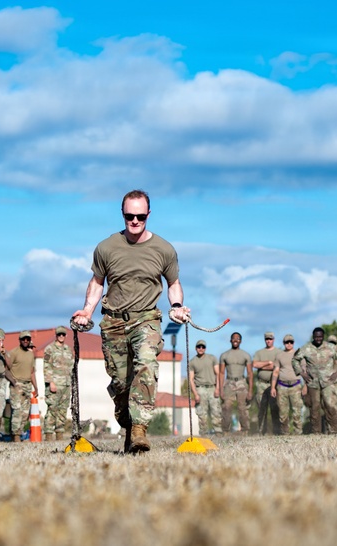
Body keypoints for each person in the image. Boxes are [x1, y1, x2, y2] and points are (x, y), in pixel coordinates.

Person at [71, 190, 188, 453]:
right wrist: (87, 311)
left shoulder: (164, 250)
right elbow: (97, 283)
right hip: (113, 323)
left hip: (146, 319)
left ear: (148, 215)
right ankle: (127, 423)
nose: (134, 221)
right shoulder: (106, 248)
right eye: (129, 216)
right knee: (122, 383)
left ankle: (139, 430)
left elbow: (174, 284)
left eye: (140, 216)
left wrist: (177, 307)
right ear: (122, 215)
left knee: (146, 364)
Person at [295, 327, 337, 434]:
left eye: (320, 337)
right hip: (313, 383)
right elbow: (295, 359)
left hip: (327, 383)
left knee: (330, 406)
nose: (318, 339)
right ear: (313, 336)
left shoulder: (331, 347)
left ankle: (334, 431)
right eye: (316, 337)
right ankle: (316, 433)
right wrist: (302, 373)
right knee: (314, 408)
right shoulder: (306, 348)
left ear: (323, 336)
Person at [269, 334, 305, 435]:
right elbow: (276, 371)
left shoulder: (299, 354)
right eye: (287, 342)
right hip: (282, 386)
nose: (289, 344)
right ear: (284, 343)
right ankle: (285, 433)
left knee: (297, 411)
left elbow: (304, 371)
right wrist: (273, 387)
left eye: (291, 342)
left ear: (293, 343)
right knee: (283, 413)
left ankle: (298, 433)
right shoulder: (279, 355)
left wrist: (305, 385)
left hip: (296, 386)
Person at [219, 332, 253, 434]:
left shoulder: (246, 355)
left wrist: (250, 390)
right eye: (233, 338)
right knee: (226, 407)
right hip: (229, 383)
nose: (235, 340)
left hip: (241, 383)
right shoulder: (224, 355)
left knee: (242, 408)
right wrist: (220, 389)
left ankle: (245, 431)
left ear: (240, 341)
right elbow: (221, 373)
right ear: (230, 340)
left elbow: (250, 373)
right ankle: (225, 431)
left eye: (237, 339)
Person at [7, 331, 39, 442]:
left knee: (25, 413)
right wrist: (14, 382)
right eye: (23, 339)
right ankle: (15, 437)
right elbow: (6, 370)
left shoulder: (30, 354)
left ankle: (18, 434)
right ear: (20, 340)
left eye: (28, 339)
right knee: (17, 411)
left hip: (27, 385)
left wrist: (36, 387)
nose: (26, 341)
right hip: (17, 385)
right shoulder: (13, 353)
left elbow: (32, 372)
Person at [43, 326, 73, 440]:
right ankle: (49, 435)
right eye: (59, 334)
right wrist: (50, 382)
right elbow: (47, 367)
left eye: (63, 334)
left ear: (66, 336)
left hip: (66, 384)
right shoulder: (50, 349)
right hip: (54, 384)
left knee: (62, 410)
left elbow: (71, 367)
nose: (61, 336)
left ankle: (59, 434)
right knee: (52, 409)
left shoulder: (68, 349)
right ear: (56, 335)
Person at [188, 340, 222, 436]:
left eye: (203, 347)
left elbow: (218, 374)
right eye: (199, 347)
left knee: (216, 412)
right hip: (200, 389)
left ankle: (218, 433)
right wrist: (195, 394)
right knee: (202, 414)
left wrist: (217, 388)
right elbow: (191, 379)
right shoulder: (192, 362)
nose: (201, 349)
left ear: (205, 348)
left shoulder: (212, 358)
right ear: (196, 348)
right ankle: (203, 434)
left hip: (212, 387)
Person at [252, 332, 280, 434]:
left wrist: (262, 366)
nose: (269, 341)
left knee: (275, 408)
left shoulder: (278, 352)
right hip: (261, 384)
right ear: (265, 340)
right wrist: (268, 362)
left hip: (274, 385)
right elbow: (254, 364)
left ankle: (276, 431)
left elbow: (277, 367)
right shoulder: (259, 352)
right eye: (267, 339)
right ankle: (262, 431)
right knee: (261, 409)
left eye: (270, 339)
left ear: (274, 339)